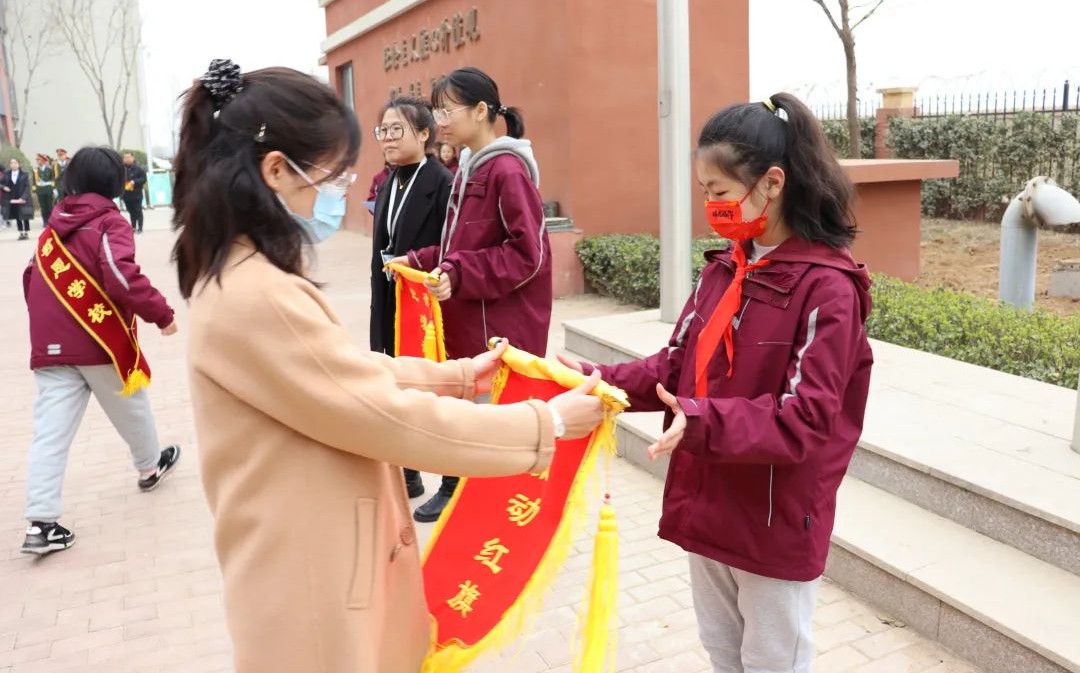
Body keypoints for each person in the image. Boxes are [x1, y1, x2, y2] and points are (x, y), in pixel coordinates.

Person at [171, 59, 604, 673]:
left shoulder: (246, 277)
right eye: (331, 175)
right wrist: (546, 425)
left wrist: (458, 376)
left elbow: (339, 375)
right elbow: (383, 415)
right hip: (315, 595)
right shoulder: (258, 294)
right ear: (276, 171)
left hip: (316, 566)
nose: (339, 192)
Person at [560, 94, 873, 673]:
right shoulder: (725, 268)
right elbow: (674, 367)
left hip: (775, 516)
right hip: (710, 497)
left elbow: (806, 418)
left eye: (720, 191)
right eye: (704, 191)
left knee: (774, 662)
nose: (710, 205)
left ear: (772, 183)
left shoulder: (827, 289)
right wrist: (596, 380)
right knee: (724, 653)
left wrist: (701, 420)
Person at [387, 67, 553, 523]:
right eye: (436, 111)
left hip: (497, 326)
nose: (439, 120)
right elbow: (457, 246)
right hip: (467, 321)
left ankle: (477, 500)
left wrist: (458, 273)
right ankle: (463, 492)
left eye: (447, 111)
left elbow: (529, 255)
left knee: (489, 419)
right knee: (469, 413)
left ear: (481, 111)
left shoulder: (507, 170)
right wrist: (418, 260)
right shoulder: (467, 167)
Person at [20, 146, 181, 556]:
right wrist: (161, 314)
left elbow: (30, 277)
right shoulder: (110, 221)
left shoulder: (52, 228)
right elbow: (121, 278)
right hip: (98, 343)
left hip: (51, 349)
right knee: (133, 406)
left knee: (50, 435)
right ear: (115, 182)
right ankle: (149, 467)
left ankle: (40, 524)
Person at [370, 96, 454, 506]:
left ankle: (452, 481)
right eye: (383, 130)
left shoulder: (442, 183)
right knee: (399, 386)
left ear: (423, 134)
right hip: (392, 300)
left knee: (439, 392)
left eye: (396, 129)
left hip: (430, 306)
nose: (387, 138)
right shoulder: (390, 181)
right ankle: (410, 474)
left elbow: (453, 247)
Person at [3, 158, 33, 239]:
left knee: (25, 215)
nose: (13, 164)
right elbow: (1, 183)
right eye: (12, 163)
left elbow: (27, 187)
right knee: (17, 216)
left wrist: (23, 198)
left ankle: (26, 232)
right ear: (10, 165)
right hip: (13, 198)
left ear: (19, 164)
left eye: (15, 163)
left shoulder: (24, 174)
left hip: (23, 197)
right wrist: (4, 187)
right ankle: (20, 233)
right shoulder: (7, 174)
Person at [122, 152, 147, 233]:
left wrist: (134, 182)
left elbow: (143, 179)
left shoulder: (139, 169)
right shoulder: (122, 169)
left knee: (138, 210)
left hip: (136, 194)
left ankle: (140, 227)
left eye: (128, 157)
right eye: (125, 157)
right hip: (126, 194)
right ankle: (133, 227)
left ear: (133, 158)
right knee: (131, 211)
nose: (127, 159)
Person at [33, 153, 59, 226]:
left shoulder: (49, 169)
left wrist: (54, 189)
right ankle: (45, 221)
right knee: (43, 207)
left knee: (49, 206)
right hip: (40, 190)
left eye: (39, 160)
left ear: (43, 161)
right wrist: (34, 190)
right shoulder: (35, 170)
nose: (37, 161)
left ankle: (50, 221)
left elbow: (53, 180)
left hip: (48, 190)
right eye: (37, 160)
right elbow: (34, 181)